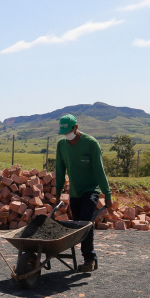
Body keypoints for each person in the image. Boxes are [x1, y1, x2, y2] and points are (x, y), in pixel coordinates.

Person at [54, 114, 112, 272]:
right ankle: (87, 257)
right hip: (75, 191)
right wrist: (57, 193)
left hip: (91, 189)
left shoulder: (91, 143)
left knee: (85, 223)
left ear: (76, 128)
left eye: (69, 132)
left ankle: (89, 259)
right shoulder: (62, 145)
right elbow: (60, 170)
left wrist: (107, 195)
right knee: (77, 224)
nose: (68, 136)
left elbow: (99, 171)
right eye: (64, 133)